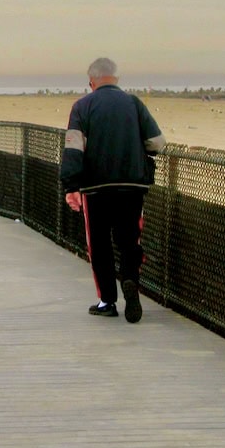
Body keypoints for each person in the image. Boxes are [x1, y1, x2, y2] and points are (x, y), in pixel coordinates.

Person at [60, 57, 165, 323]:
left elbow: (74, 148)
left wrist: (71, 186)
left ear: (91, 81)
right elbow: (157, 142)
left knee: (99, 245)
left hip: (95, 189)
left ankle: (107, 301)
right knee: (130, 241)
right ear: (117, 79)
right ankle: (129, 279)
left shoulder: (82, 106)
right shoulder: (134, 103)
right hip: (132, 186)